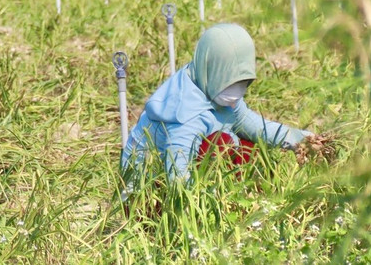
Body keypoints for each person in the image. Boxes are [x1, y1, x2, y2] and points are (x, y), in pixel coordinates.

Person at [121, 23, 313, 182]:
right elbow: (177, 173)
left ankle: (247, 202)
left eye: (242, 83)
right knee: (221, 145)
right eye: (229, 82)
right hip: (151, 191)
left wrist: (302, 140)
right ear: (211, 70)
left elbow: (256, 127)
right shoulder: (185, 114)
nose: (235, 92)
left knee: (250, 147)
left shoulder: (211, 86)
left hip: (186, 172)